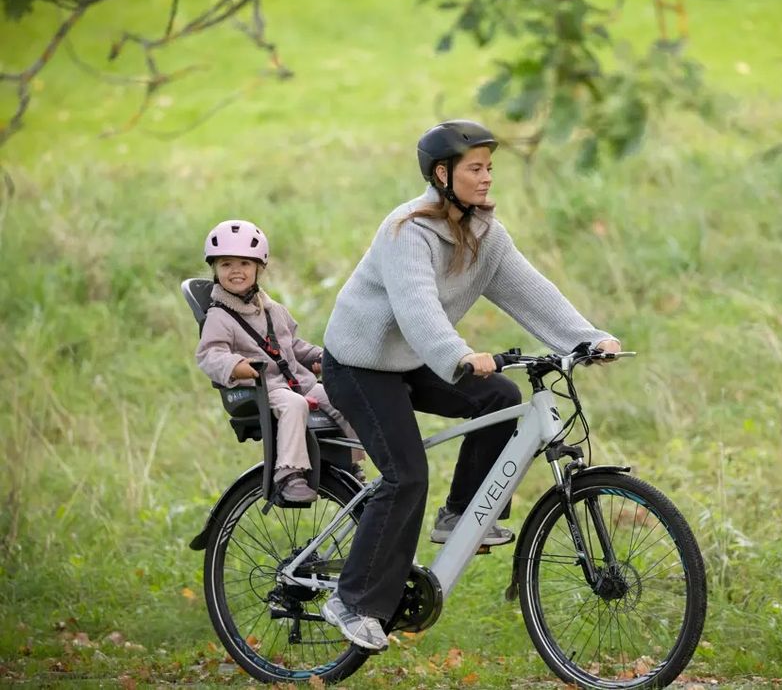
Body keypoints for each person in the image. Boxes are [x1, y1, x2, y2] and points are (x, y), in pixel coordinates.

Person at [319, 119, 621, 650]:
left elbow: (531, 292)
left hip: (415, 360)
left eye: (489, 168)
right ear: (442, 174)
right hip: (361, 364)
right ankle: (353, 601)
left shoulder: (485, 234)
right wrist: (456, 355)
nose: (486, 179)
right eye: (474, 169)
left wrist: (586, 338)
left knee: (501, 398)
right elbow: (418, 308)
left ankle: (460, 514)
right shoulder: (405, 231)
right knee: (405, 475)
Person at [195, 220, 366, 502]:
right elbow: (209, 354)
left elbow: (291, 345)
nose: (236, 271)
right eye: (226, 264)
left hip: (297, 381)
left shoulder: (272, 309)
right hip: (261, 387)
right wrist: (235, 366)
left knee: (341, 394)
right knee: (294, 404)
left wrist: (320, 357)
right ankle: (288, 473)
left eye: (244, 264)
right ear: (214, 269)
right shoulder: (219, 317)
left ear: (258, 269)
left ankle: (349, 462)